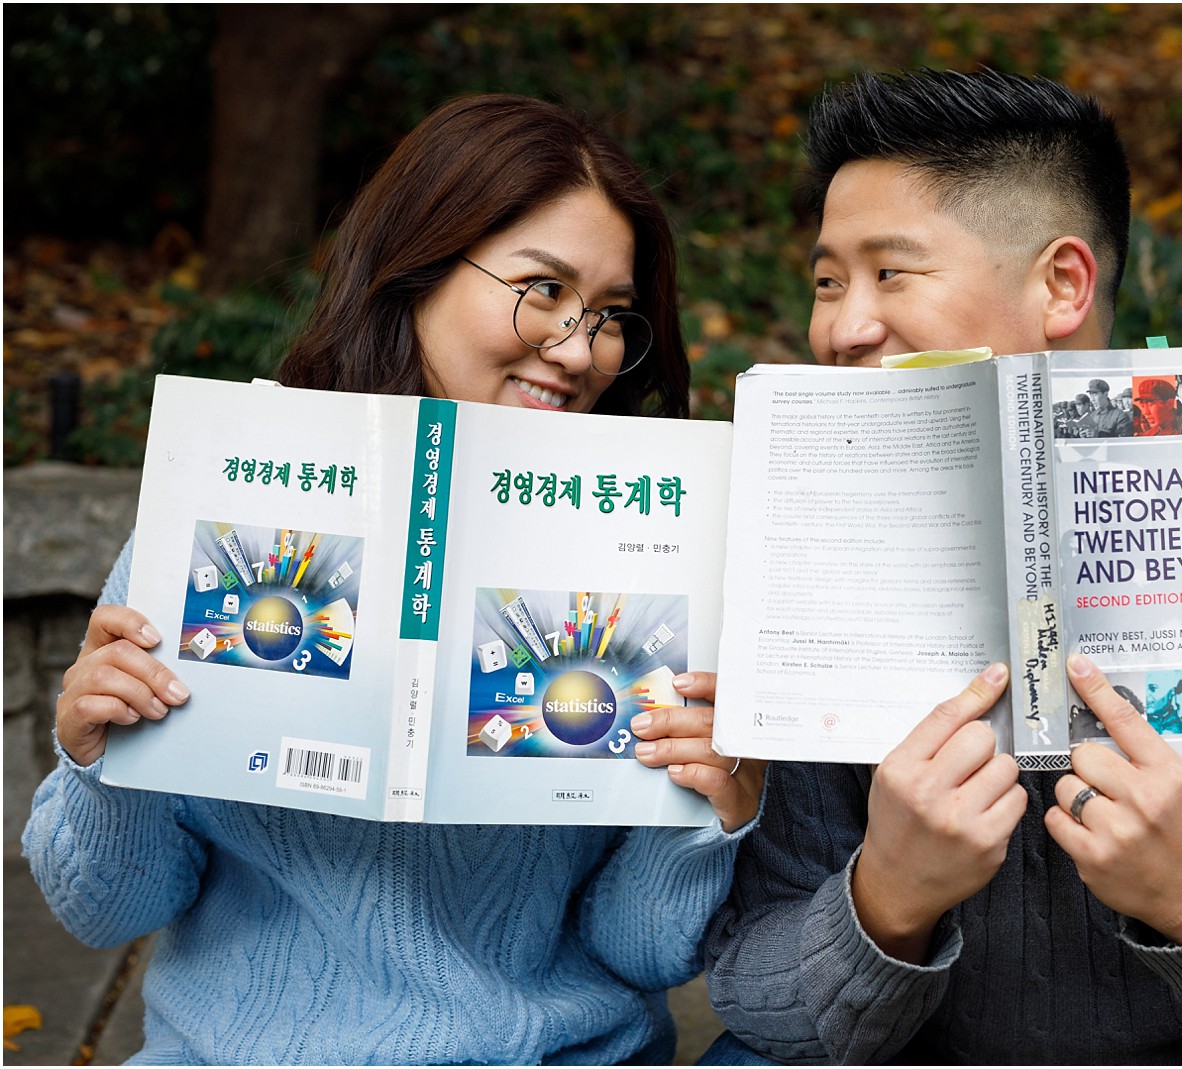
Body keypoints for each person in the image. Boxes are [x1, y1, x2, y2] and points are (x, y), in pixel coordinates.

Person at [704, 68, 1182, 1065]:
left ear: (1061, 283)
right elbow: (751, 990)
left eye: (889, 274)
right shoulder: (803, 563)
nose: (840, 327)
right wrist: (884, 902)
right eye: (825, 280)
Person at [26, 94, 763, 1066]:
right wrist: (97, 761)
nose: (583, 350)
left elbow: (641, 948)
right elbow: (106, 909)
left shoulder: (648, 559)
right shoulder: (225, 509)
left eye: (612, 316)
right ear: (415, 266)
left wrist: (715, 810)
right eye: (541, 289)